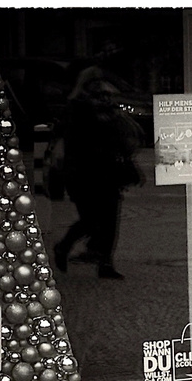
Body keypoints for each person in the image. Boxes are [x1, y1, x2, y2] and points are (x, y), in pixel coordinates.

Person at [53, 67, 142, 280]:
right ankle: (64, 247)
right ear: (84, 84)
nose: (99, 87)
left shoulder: (108, 106)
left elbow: (123, 135)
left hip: (109, 171)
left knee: (110, 219)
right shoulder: (77, 108)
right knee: (91, 219)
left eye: (99, 82)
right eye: (93, 82)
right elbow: (76, 141)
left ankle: (105, 263)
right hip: (84, 173)